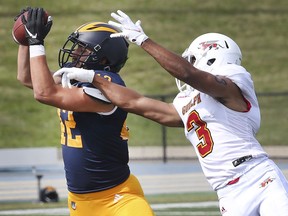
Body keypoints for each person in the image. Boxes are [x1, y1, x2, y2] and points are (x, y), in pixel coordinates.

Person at [55, 10, 288, 216]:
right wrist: (93, 78)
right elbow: (138, 103)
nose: (191, 64)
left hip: (258, 177)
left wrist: (143, 40)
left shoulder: (234, 83)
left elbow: (188, 74)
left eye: (195, 59)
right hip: (227, 192)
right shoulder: (189, 101)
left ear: (213, 55)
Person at [15, 7, 154, 216]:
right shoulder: (76, 76)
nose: (76, 52)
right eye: (77, 47)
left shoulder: (108, 83)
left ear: (105, 58)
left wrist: (37, 43)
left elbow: (44, 93)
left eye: (84, 49)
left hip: (119, 199)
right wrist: (25, 40)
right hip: (80, 202)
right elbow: (27, 78)